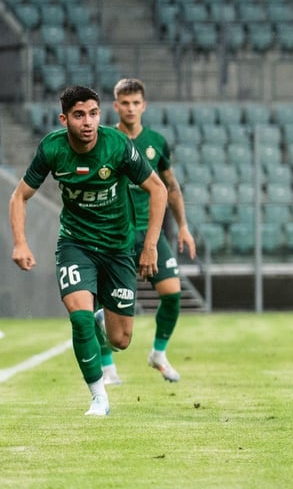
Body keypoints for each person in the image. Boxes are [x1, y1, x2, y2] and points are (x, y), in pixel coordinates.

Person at [9, 85, 167, 416]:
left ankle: (102, 320)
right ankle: (99, 397)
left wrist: (150, 245)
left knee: (121, 340)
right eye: (79, 115)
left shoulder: (118, 145)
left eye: (93, 114)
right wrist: (20, 241)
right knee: (79, 319)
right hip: (75, 244)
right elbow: (19, 196)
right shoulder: (52, 149)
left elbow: (158, 189)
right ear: (64, 118)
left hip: (117, 247)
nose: (88, 122)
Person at [102, 77, 197, 385]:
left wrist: (183, 226)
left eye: (135, 103)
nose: (130, 108)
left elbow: (170, 186)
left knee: (172, 294)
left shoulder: (156, 141)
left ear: (144, 105)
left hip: (151, 233)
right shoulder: (105, 140)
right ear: (116, 106)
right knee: (111, 305)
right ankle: (107, 368)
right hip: (116, 234)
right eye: (124, 103)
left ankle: (158, 353)